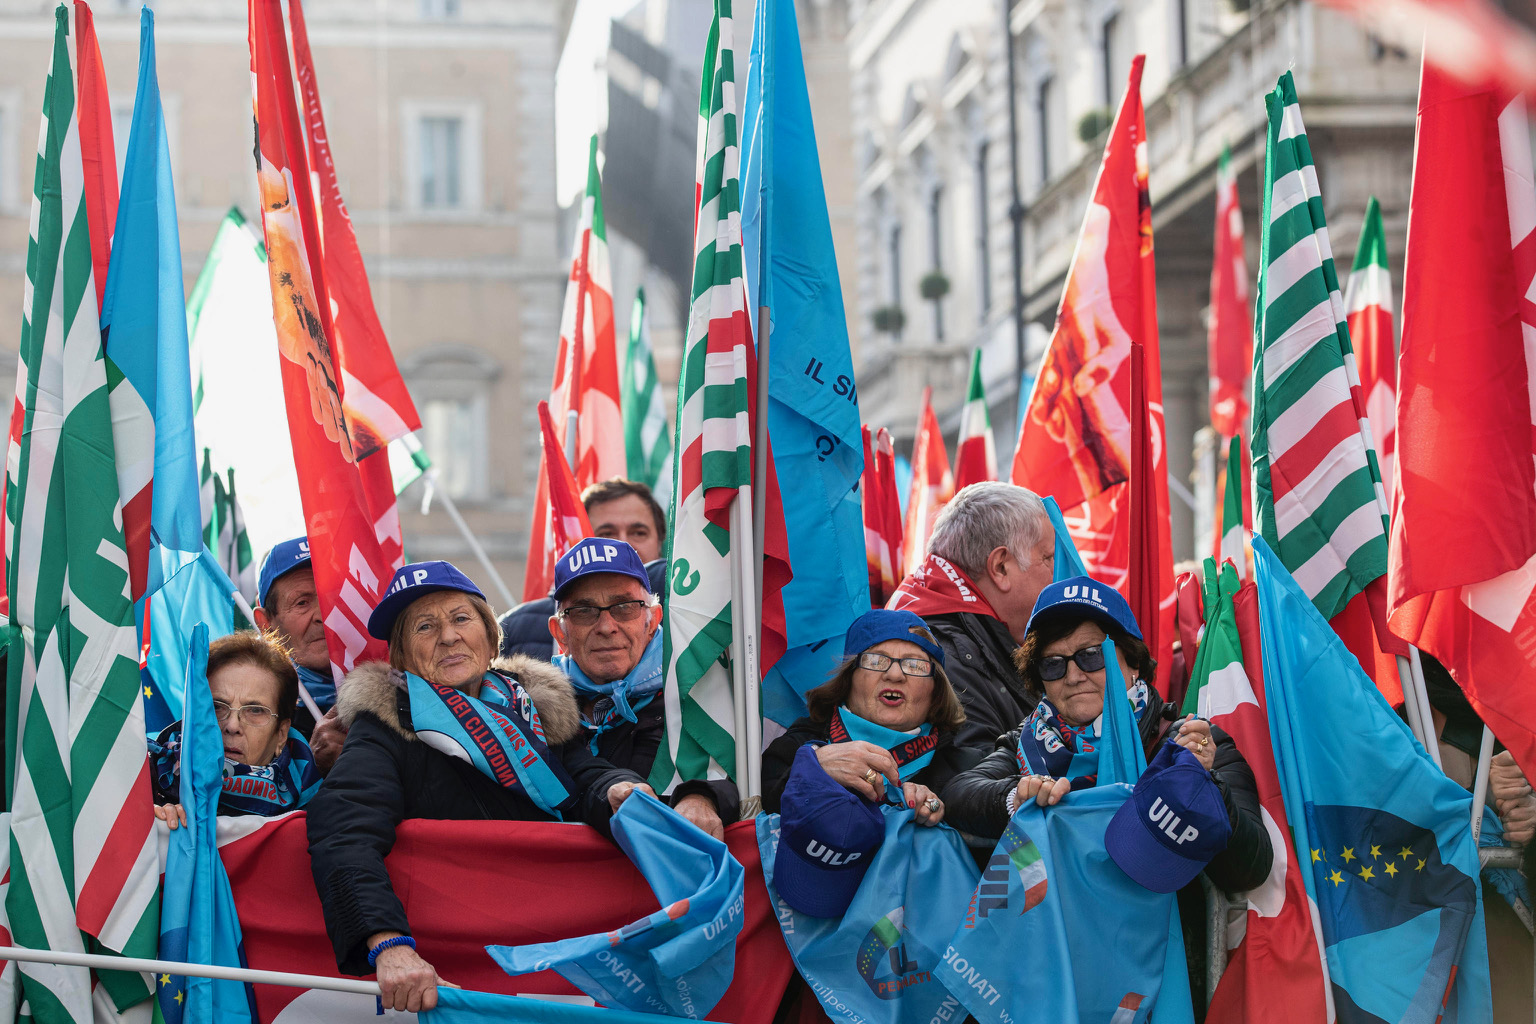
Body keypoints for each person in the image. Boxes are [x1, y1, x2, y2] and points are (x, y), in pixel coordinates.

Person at [307, 560, 653, 1013]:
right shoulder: (387, 728)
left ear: (491, 637)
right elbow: (343, 829)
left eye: (461, 618)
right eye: (425, 626)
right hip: (463, 962)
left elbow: (585, 775)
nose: (448, 637)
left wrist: (620, 790)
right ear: (402, 656)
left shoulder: (536, 707)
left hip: (559, 951)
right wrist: (388, 944)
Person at [941, 576, 1273, 895]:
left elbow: (1250, 869)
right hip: (1051, 943)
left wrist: (1204, 786)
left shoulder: (1186, 743)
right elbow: (958, 794)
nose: (1073, 676)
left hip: (1159, 946)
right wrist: (1016, 797)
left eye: (1091, 656)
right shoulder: (1023, 744)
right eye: (1053, 664)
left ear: (1133, 663)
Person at [547, 536, 738, 837]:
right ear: (560, 633)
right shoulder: (529, 712)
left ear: (652, 621)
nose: (607, 626)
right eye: (584, 611)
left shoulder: (699, 691)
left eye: (624, 607)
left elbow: (748, 768)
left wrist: (703, 797)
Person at [762, 609, 979, 826]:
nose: (894, 675)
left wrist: (936, 807)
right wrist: (814, 771)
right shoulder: (795, 750)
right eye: (876, 661)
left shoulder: (969, 768)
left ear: (936, 689)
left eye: (914, 665)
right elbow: (761, 807)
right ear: (849, 678)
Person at [889, 482, 1056, 752]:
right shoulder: (943, 658)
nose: (1058, 576)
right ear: (1000, 567)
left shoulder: (944, 634)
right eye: (1047, 558)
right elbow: (979, 782)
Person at [151, 631, 322, 828]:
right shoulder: (143, 787)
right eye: (216, 707)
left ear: (281, 735)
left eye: (256, 711)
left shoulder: (319, 821)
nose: (232, 726)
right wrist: (150, 823)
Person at [500, 479, 668, 661]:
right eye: (606, 534)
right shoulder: (514, 632)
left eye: (639, 532)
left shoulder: (689, 617)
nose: (623, 544)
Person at [253, 537, 346, 774]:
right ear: (266, 624)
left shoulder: (403, 690)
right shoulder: (249, 714)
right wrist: (311, 767)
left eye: (331, 597)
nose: (323, 616)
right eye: (302, 602)